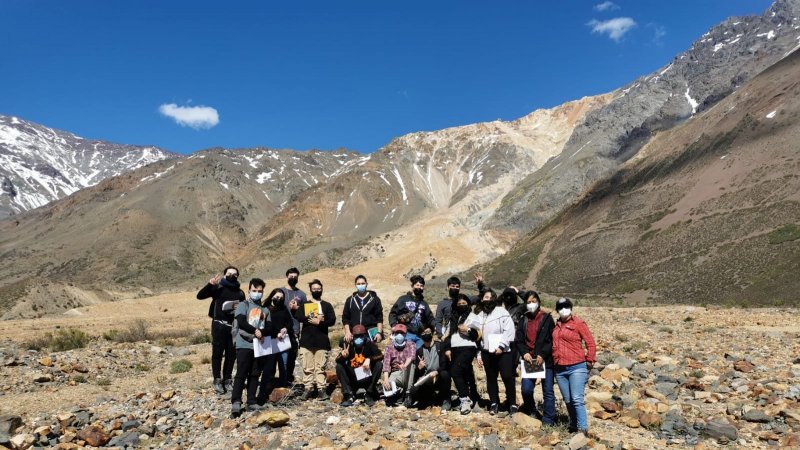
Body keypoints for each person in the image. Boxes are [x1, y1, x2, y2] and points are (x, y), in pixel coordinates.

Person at [196, 265, 245, 395]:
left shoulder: (240, 292)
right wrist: (210, 285)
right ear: (224, 275)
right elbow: (200, 296)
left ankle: (227, 380)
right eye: (229, 273)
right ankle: (217, 380)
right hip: (219, 325)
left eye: (235, 274)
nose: (232, 276)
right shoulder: (218, 288)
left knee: (231, 354)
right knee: (217, 353)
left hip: (233, 326)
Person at [469, 288, 517, 416]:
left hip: (504, 351)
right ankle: (494, 402)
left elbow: (509, 330)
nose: (487, 300)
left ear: (494, 299)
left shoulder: (502, 312)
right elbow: (476, 336)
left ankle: (512, 403)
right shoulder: (480, 315)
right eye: (485, 297)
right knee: (491, 378)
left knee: (507, 377)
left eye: (490, 297)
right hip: (486, 351)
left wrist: (501, 346)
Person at [552, 297, 596, 435]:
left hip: (576, 366)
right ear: (557, 310)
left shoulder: (579, 323)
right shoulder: (557, 324)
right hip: (559, 368)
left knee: (577, 398)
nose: (563, 309)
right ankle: (573, 423)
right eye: (560, 307)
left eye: (566, 306)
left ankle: (582, 428)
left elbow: (590, 343)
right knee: (568, 399)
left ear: (571, 308)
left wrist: (589, 360)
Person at [231, 278, 271, 417]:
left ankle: (251, 401)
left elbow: (269, 327)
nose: (257, 293)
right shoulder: (243, 305)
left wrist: (263, 333)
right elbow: (241, 322)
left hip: (259, 346)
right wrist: (255, 331)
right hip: (244, 345)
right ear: (249, 290)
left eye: (260, 291)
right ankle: (236, 401)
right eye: (254, 290)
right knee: (241, 373)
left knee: (255, 374)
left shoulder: (265, 309)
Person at [514, 291, 556, 425]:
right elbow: (519, 339)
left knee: (548, 390)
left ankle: (549, 419)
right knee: (526, 389)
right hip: (530, 360)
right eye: (528, 302)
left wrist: (543, 354)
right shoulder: (524, 319)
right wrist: (524, 352)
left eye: (533, 301)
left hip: (545, 360)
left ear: (538, 301)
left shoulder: (547, 318)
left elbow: (551, 339)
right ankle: (531, 409)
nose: (531, 304)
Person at [295, 279, 336, 400]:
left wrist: (321, 321)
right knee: (307, 367)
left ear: (322, 289)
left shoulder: (327, 305)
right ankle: (308, 389)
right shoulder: (305, 304)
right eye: (314, 289)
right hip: (306, 341)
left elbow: (332, 320)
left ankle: (321, 389)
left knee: (320, 367)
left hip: (321, 341)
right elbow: (298, 316)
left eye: (318, 289)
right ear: (310, 290)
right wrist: (310, 317)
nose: (316, 291)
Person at [442, 293, 481, 415]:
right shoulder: (452, 318)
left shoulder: (473, 316)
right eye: (459, 304)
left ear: (468, 304)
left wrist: (468, 330)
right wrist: (447, 348)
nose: (462, 305)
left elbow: (478, 335)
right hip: (454, 348)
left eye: (464, 303)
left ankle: (465, 399)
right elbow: (447, 336)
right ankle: (473, 397)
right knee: (465, 374)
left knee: (455, 371)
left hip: (468, 347)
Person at [256, 288, 296, 404]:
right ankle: (268, 388)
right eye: (277, 296)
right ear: (272, 295)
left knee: (283, 364)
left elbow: (290, 323)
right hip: (269, 340)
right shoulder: (265, 308)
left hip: (282, 340)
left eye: (281, 298)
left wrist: (285, 329)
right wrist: (275, 333)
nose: (279, 299)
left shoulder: (284, 309)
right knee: (269, 366)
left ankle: (282, 389)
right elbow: (264, 325)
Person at [335, 324, 384, 407]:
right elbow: (337, 360)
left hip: (366, 377)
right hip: (353, 378)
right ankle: (349, 395)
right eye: (356, 336)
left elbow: (381, 356)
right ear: (353, 336)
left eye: (361, 336)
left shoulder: (369, 344)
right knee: (339, 366)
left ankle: (369, 393)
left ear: (364, 336)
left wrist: (369, 359)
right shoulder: (349, 346)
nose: (358, 339)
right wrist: (342, 355)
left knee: (379, 364)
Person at [409, 327, 452, 410]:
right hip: (426, 379)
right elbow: (416, 374)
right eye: (423, 333)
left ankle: (446, 399)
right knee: (414, 390)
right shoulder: (419, 351)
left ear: (432, 333)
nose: (425, 334)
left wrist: (436, 372)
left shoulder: (440, 346)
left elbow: (445, 364)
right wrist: (419, 367)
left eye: (427, 332)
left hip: (439, 376)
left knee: (445, 374)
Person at [389, 275, 435, 349]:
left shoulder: (424, 304)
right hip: (405, 334)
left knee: (418, 357)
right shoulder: (403, 299)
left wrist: (431, 328)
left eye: (421, 285)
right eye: (417, 285)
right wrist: (393, 325)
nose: (419, 287)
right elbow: (393, 313)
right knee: (406, 356)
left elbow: (430, 318)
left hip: (419, 336)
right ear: (412, 286)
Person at [280, 267, 307, 384]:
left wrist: (298, 308)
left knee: (291, 357)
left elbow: (307, 311)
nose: (293, 278)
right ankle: (280, 380)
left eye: (295, 277)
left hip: (295, 330)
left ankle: (288, 379)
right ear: (287, 277)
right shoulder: (280, 292)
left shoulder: (301, 294)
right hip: (280, 330)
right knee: (281, 357)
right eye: (291, 276)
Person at [341, 275, 384, 344]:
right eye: (358, 284)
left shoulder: (374, 299)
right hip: (354, 333)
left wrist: (379, 333)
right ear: (355, 285)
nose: (361, 285)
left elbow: (379, 318)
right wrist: (348, 332)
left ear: (366, 284)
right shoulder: (350, 300)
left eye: (363, 283)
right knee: (343, 344)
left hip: (370, 333)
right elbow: (345, 318)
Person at [381, 324, 417, 407]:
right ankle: (399, 394)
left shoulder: (411, 344)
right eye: (397, 333)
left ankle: (408, 394)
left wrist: (405, 365)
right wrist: (386, 379)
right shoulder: (389, 347)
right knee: (388, 384)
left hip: (407, 371)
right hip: (396, 373)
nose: (399, 335)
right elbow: (386, 364)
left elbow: (411, 356)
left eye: (402, 333)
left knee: (411, 365)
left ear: (405, 334)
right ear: (394, 334)